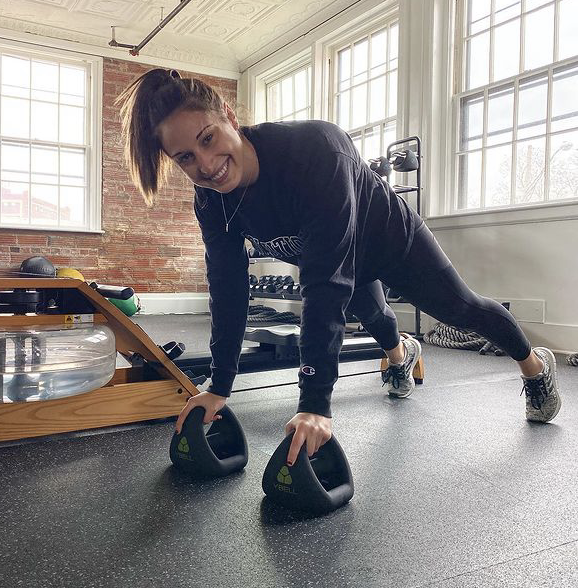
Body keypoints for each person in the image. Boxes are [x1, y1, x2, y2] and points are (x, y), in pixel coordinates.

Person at [116, 68, 563, 467]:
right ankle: (401, 355)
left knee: (461, 309)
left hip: (392, 242)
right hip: (335, 254)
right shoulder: (211, 201)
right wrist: (219, 384)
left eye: (208, 139)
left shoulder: (314, 149)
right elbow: (227, 288)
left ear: (230, 118)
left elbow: (325, 285)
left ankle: (535, 367)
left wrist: (315, 404)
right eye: (185, 158)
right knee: (375, 317)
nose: (206, 165)